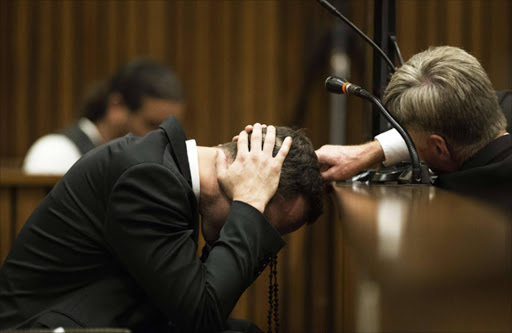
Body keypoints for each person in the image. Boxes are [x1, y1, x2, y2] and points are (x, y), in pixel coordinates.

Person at [0, 119, 324, 333]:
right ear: (246, 182)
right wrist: (250, 204)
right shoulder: (148, 179)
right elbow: (201, 317)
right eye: (263, 226)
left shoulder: (166, 173)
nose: (256, 238)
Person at [316, 46, 512, 216]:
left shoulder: (462, 204)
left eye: (415, 146)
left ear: (439, 148)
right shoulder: (493, 104)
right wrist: (371, 151)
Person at [22, 58, 185, 175]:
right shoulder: (55, 153)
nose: (163, 138)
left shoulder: (146, 163)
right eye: (152, 124)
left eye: (168, 128)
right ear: (117, 107)